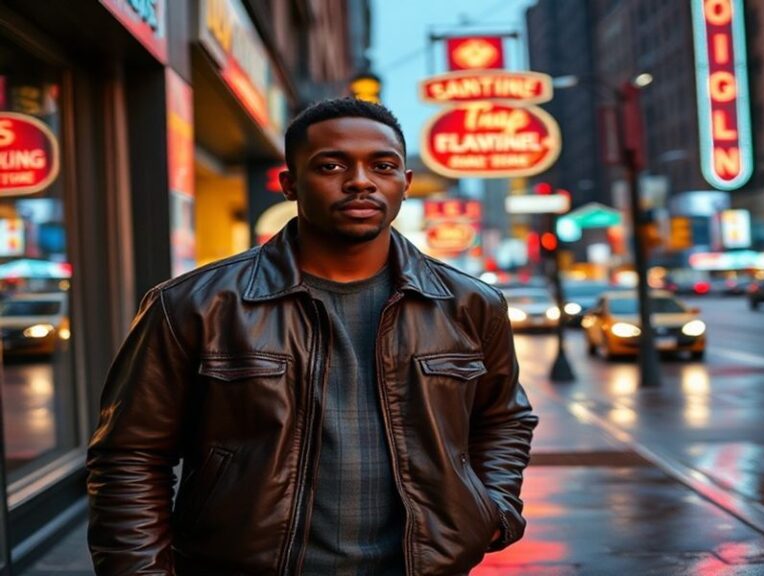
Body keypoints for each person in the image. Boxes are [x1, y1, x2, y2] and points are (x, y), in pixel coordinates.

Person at [87, 97, 538, 576]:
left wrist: (492, 509)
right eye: (331, 165)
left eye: (382, 165)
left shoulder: (469, 304)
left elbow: (504, 419)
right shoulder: (194, 305)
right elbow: (130, 457)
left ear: (404, 185)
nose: (360, 180)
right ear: (290, 184)